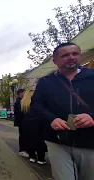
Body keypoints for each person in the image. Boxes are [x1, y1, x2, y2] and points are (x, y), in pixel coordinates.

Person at [31, 42, 94, 180]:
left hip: (90, 142)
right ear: (55, 61)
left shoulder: (92, 77)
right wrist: (51, 119)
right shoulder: (46, 81)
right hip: (57, 141)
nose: (71, 57)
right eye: (65, 55)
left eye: (75, 54)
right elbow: (36, 105)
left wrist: (91, 117)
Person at [21, 90, 47, 165]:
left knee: (29, 139)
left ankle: (32, 156)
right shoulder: (37, 101)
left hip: (27, 122)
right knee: (40, 140)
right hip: (38, 122)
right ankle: (41, 158)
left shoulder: (24, 103)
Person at [14, 89, 28, 158]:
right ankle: (22, 150)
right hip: (22, 121)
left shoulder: (19, 101)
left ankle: (24, 149)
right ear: (20, 94)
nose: (25, 94)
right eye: (24, 93)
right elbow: (21, 112)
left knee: (24, 135)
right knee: (22, 135)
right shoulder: (19, 102)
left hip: (21, 121)